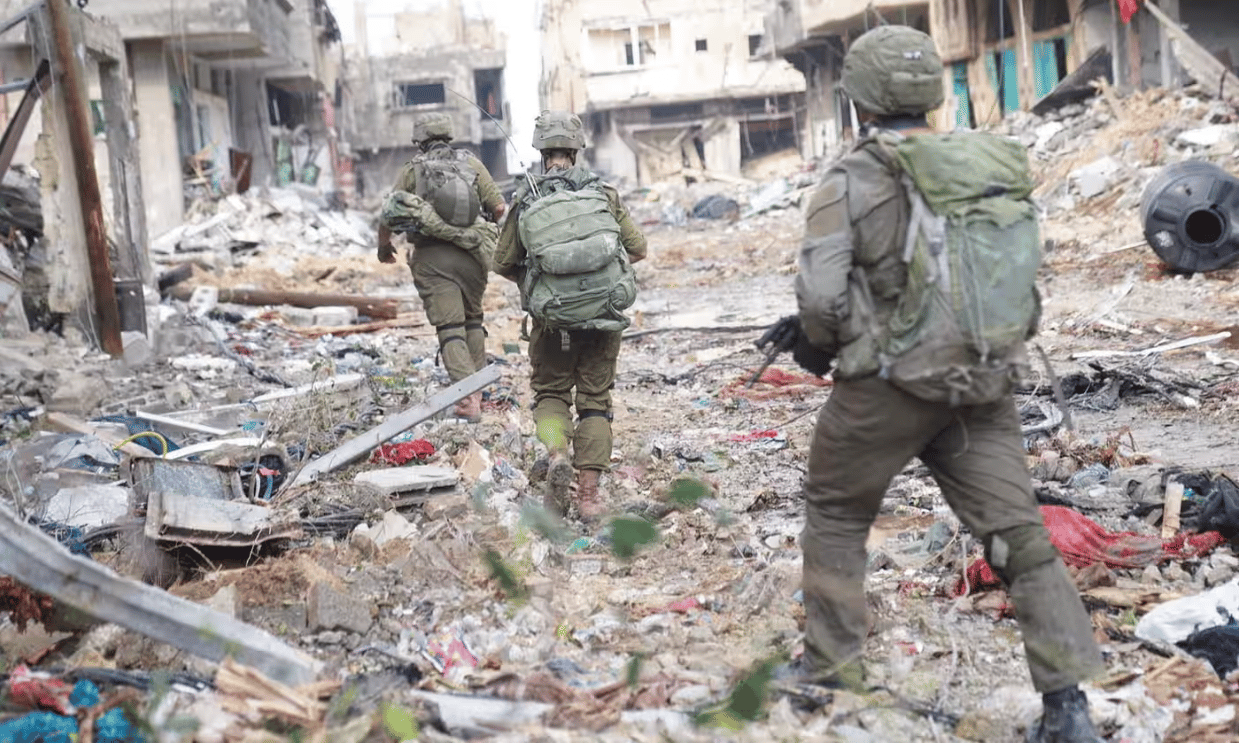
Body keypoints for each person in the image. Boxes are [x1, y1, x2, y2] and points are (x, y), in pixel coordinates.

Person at [760, 26, 1105, 743]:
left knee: (835, 513)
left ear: (856, 97)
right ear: (932, 93)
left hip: (887, 389)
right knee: (1019, 539)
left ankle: (830, 669)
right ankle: (1068, 706)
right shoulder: (980, 162)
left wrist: (821, 347)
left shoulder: (850, 177)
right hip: (981, 378)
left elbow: (822, 300)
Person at [493, 110, 647, 521]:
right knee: (596, 403)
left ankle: (557, 453)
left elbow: (503, 262)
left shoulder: (527, 199)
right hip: (603, 317)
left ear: (541, 151)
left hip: (551, 322)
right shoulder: (603, 194)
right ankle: (591, 496)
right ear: (577, 149)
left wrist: (544, 285)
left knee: (550, 395)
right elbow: (637, 249)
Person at [378, 112, 506, 421]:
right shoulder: (473, 164)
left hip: (433, 259)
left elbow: (389, 214)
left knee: (451, 329)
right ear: (449, 135)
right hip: (474, 256)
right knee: (473, 321)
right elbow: (499, 208)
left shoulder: (412, 170)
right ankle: (478, 390)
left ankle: (468, 401)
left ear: (419, 141)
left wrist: (384, 246)